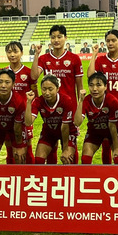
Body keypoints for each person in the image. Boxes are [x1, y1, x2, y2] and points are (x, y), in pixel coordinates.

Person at [31, 25, 83, 163]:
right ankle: (51, 177)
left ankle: (74, 173)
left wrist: (79, 106)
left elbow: (79, 85)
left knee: (70, 146)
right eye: (53, 37)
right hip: (50, 107)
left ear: (65, 38)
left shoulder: (74, 59)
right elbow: (34, 76)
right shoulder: (44, 58)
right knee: (51, 141)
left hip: (69, 107)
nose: (56, 40)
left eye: (59, 36)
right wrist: (36, 55)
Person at [0, 41, 37, 163]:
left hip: (22, 116)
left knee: (27, 147)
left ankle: (31, 173)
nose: (12, 54)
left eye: (15, 51)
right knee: (9, 148)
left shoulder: (28, 72)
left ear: (22, 53)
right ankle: (11, 175)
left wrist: (29, 113)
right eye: (9, 52)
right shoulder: (3, 72)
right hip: (5, 116)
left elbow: (35, 95)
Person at [88, 29, 118, 164]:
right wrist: (93, 55)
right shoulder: (101, 60)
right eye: (108, 41)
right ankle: (107, 171)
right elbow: (90, 76)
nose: (110, 43)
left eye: (113, 40)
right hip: (105, 107)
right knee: (106, 141)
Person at [25, 75, 77, 164]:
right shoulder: (38, 101)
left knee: (67, 158)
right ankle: (46, 177)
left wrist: (65, 149)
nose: (47, 92)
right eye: (44, 89)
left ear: (57, 89)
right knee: (38, 160)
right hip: (49, 132)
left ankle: (73, 175)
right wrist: (29, 102)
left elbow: (65, 126)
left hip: (67, 132)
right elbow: (28, 122)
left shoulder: (66, 100)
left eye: (50, 89)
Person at [75, 72, 118, 164]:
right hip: (95, 132)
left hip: (112, 132)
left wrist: (116, 148)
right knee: (85, 159)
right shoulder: (86, 100)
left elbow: (112, 126)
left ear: (105, 87)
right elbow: (77, 122)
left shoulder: (112, 100)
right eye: (91, 85)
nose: (94, 89)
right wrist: (80, 101)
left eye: (98, 85)